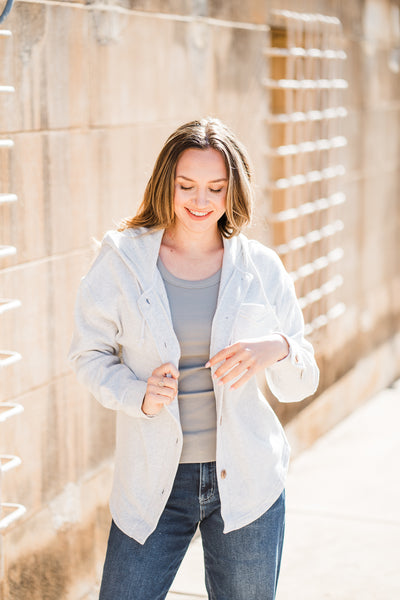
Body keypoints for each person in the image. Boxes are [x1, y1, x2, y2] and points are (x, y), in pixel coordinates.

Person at [68, 117, 319, 600]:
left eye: (215, 188)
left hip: (246, 480)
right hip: (155, 482)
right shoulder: (123, 261)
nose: (200, 201)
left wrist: (277, 348)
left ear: (232, 191)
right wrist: (138, 394)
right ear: (168, 183)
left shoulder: (260, 267)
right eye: (187, 186)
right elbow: (88, 354)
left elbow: (300, 379)